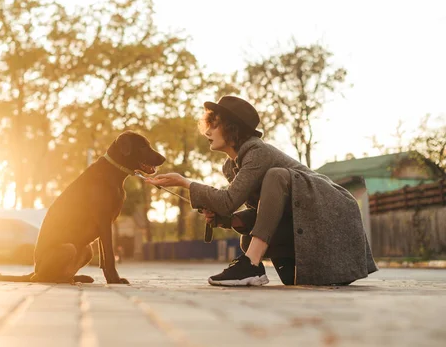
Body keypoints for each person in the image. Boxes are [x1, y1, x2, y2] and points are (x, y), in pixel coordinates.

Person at [146, 96, 377, 286]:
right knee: (249, 240)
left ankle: (251, 266)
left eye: (214, 124)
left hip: (332, 211)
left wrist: (185, 182)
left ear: (231, 128)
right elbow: (261, 212)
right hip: (304, 222)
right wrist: (226, 219)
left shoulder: (257, 151)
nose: (207, 131)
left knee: (276, 175)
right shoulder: (231, 165)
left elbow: (227, 200)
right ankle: (253, 264)